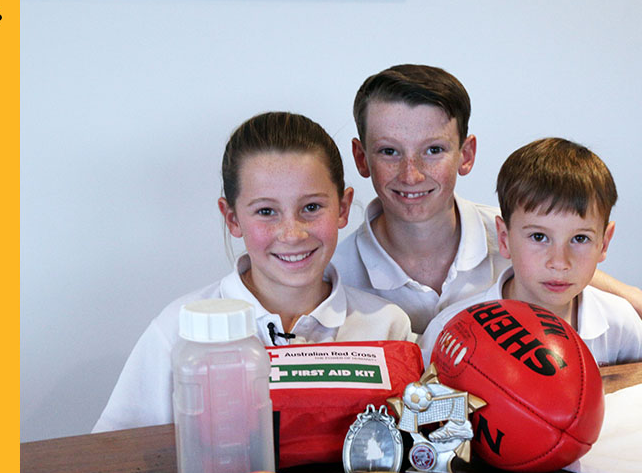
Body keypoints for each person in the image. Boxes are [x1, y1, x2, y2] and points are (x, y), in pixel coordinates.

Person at [331, 63, 642, 357]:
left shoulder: (503, 229)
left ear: (466, 155)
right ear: (362, 158)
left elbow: (561, 255)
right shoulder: (334, 276)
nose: (411, 174)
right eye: (389, 152)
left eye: (434, 150)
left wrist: (636, 301)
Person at [94, 112, 412, 432]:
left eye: (312, 207)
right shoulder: (177, 332)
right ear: (232, 218)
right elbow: (115, 458)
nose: (292, 233)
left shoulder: (386, 325)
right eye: (266, 212)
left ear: (343, 208)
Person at [418, 137, 642, 367]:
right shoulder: (452, 329)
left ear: (604, 243)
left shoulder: (619, 321)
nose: (559, 262)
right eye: (539, 237)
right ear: (504, 238)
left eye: (580, 238)